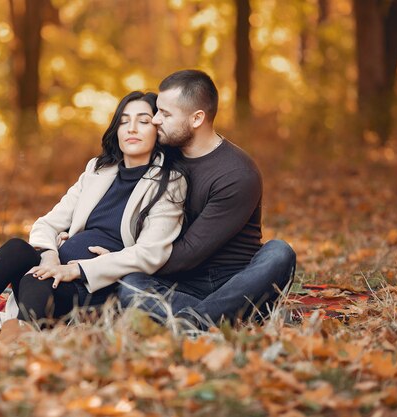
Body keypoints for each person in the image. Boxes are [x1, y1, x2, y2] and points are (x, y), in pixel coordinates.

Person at [0, 91, 187, 325]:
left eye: (143, 121)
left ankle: (20, 336)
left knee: (38, 279)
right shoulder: (98, 170)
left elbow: (150, 253)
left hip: (92, 289)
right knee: (18, 249)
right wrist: (50, 257)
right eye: (124, 121)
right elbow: (47, 224)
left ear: (158, 129)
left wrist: (79, 270)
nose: (132, 128)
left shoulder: (169, 182)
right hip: (52, 275)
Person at [117, 70, 296, 329]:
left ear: (197, 118)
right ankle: (226, 319)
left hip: (233, 282)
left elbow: (189, 253)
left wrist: (124, 258)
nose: (155, 120)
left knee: (280, 252)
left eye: (165, 114)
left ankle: (195, 322)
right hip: (181, 284)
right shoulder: (164, 155)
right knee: (129, 285)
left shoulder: (236, 173)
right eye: (157, 111)